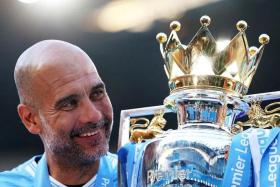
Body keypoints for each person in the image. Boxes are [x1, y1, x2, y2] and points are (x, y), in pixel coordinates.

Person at [0, 40, 117, 187]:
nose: (94, 116)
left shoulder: (143, 177)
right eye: (68, 104)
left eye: (97, 93)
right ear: (30, 119)